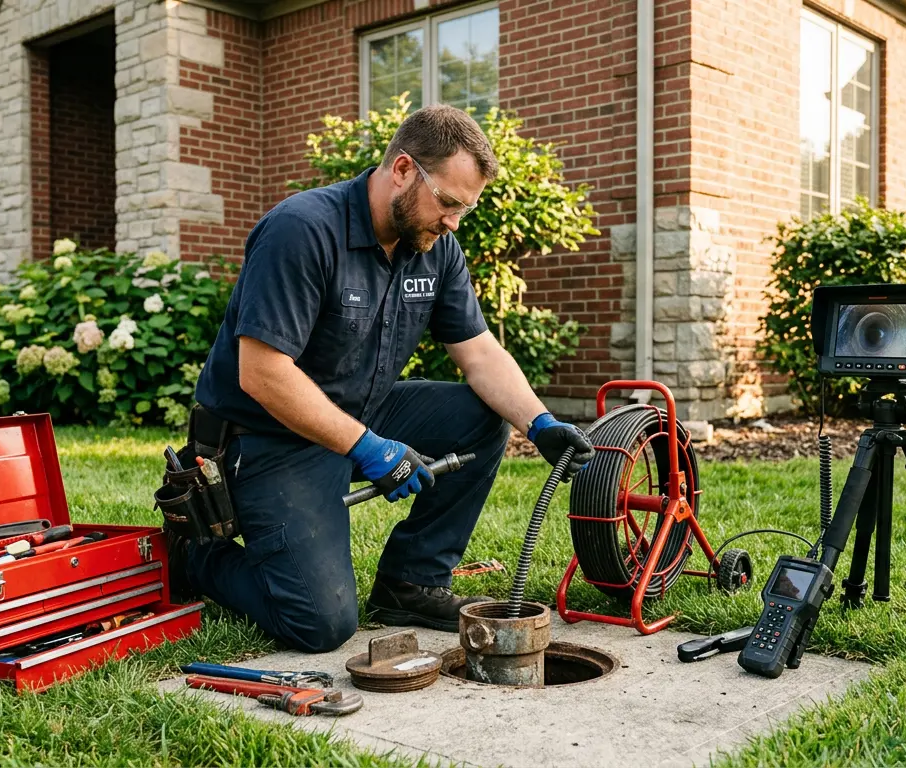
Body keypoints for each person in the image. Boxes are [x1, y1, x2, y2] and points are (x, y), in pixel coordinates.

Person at [175, 104, 596, 653]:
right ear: (401, 170)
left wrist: (539, 424)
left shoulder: (435, 247)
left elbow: (479, 352)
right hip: (266, 437)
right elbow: (263, 374)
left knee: (480, 418)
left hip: (355, 412)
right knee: (320, 624)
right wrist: (370, 447)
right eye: (447, 203)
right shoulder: (302, 230)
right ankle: (194, 557)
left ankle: (411, 582)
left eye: (463, 211)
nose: (452, 222)